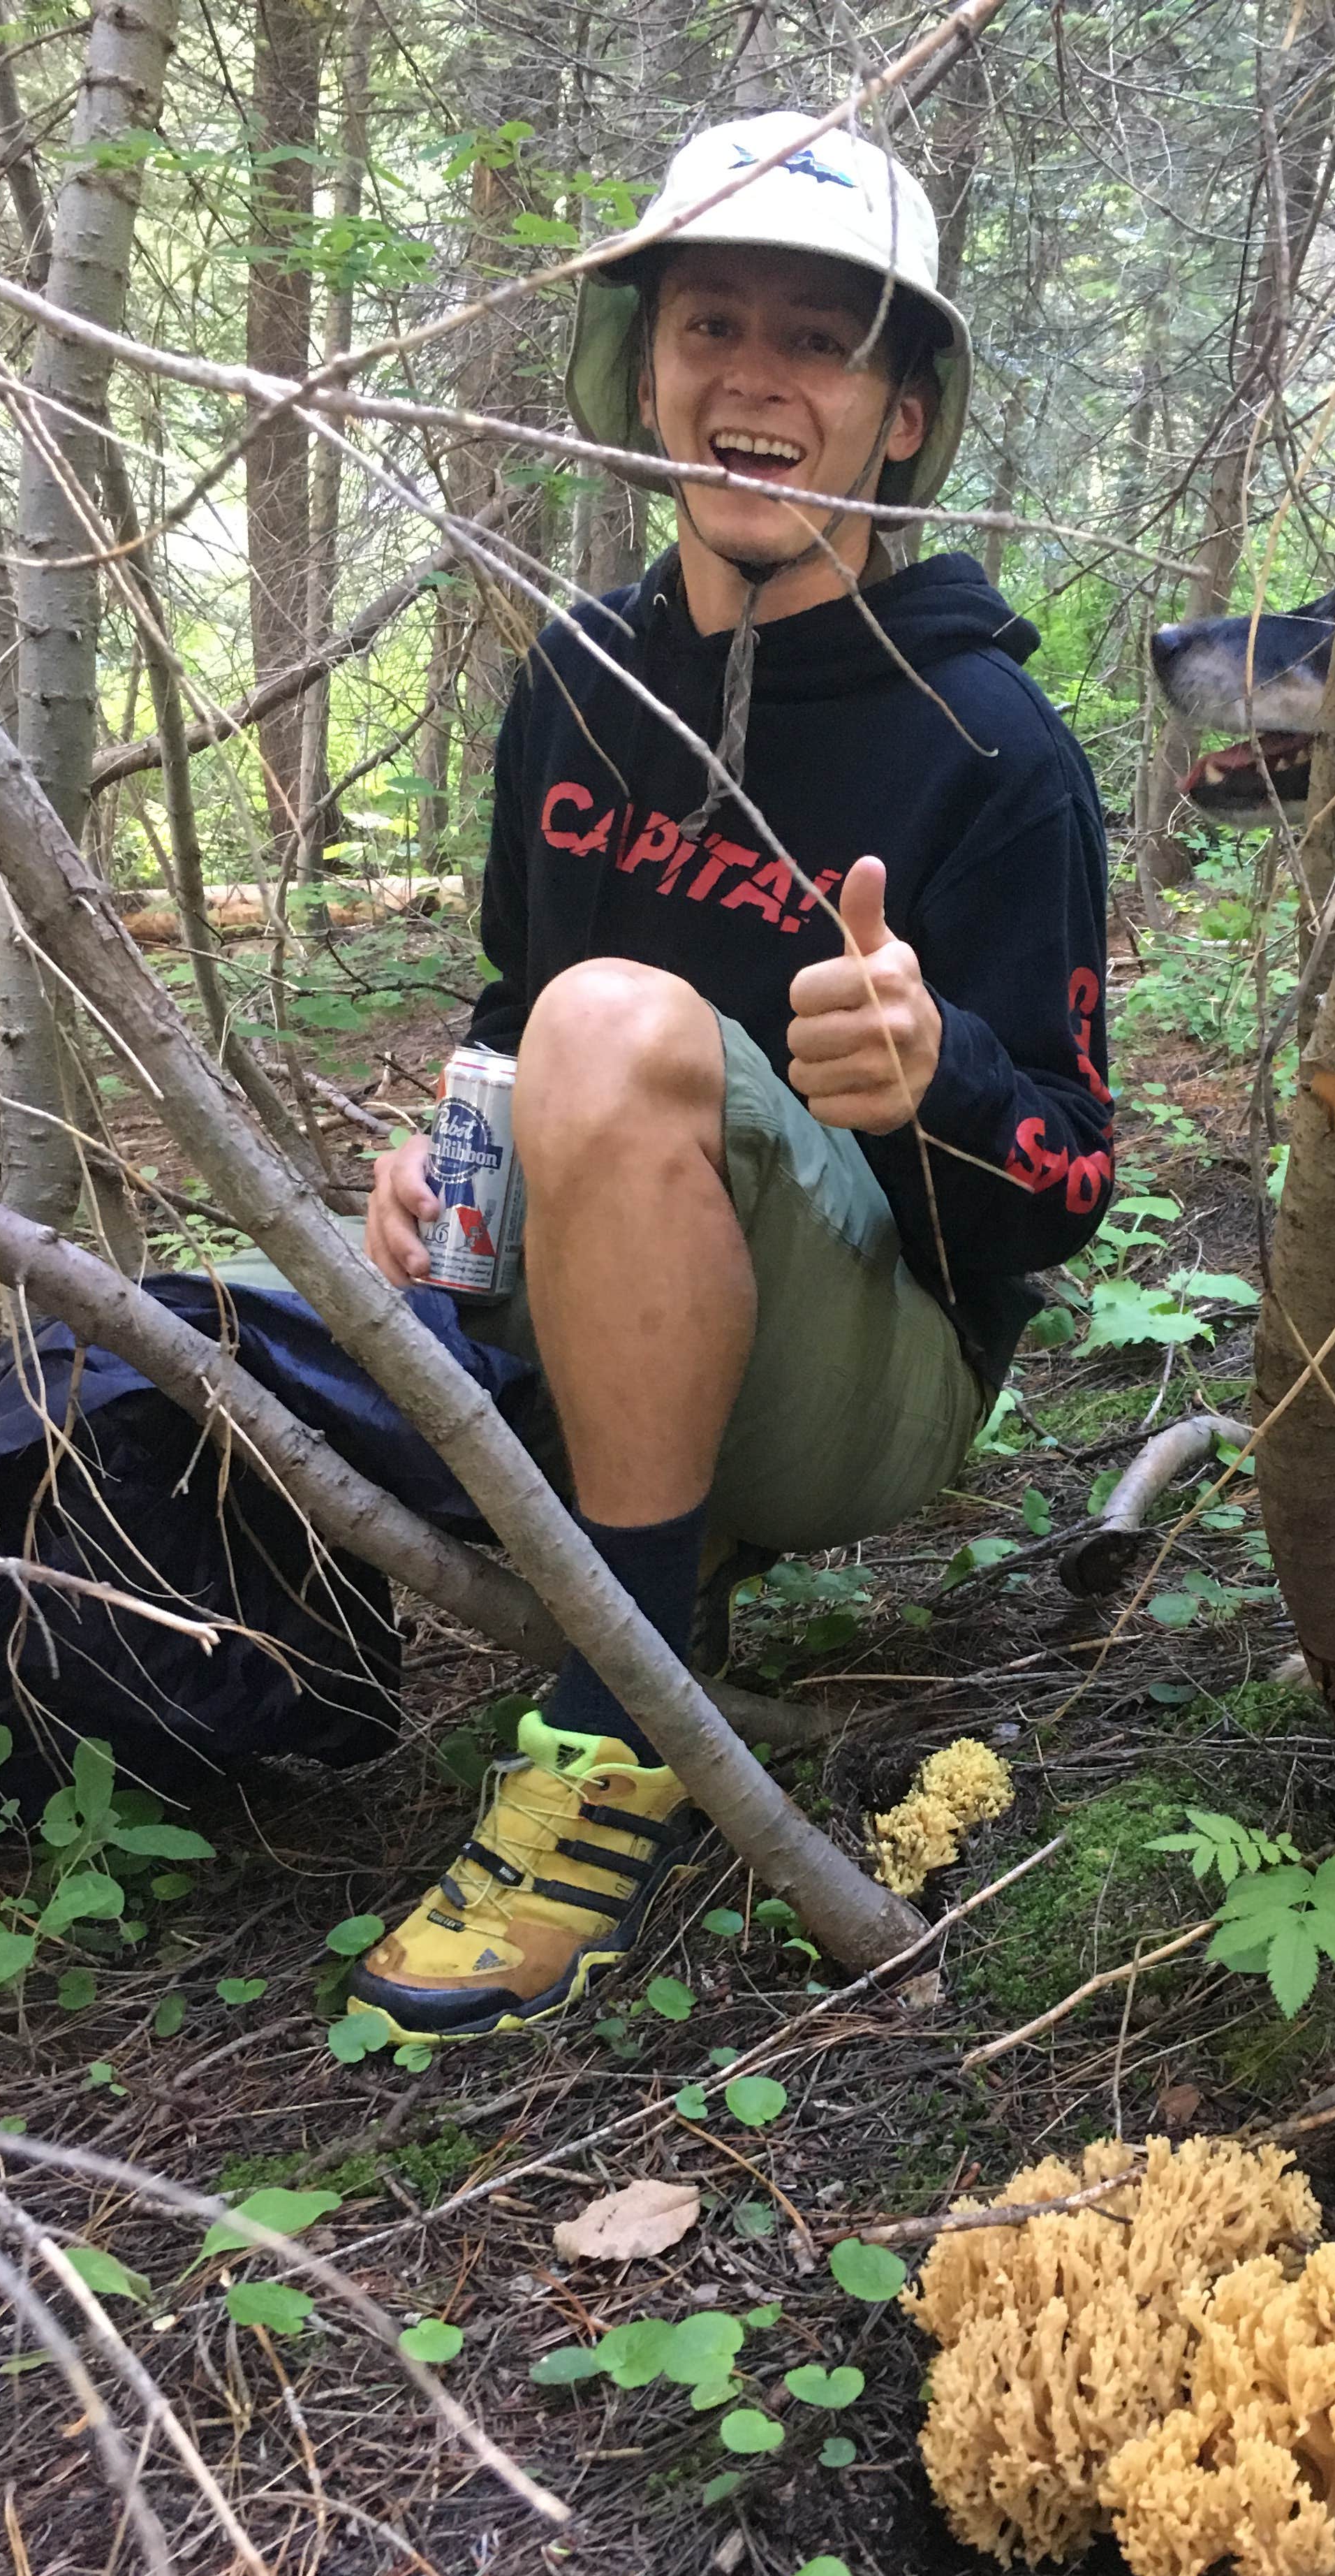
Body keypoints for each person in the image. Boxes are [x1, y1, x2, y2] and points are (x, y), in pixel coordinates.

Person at [344, 112, 1115, 2042]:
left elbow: (1072, 1188)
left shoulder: (994, 749)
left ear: (904, 416)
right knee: (570, 1037)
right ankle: (629, 1594)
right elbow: (517, 1006)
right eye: (709, 326)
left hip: (862, 1392)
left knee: (616, 1022)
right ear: (647, 369)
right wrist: (441, 1167)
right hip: (587, 1316)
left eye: (822, 341)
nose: (754, 379)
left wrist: (931, 1078)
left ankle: (624, 1730)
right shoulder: (576, 681)